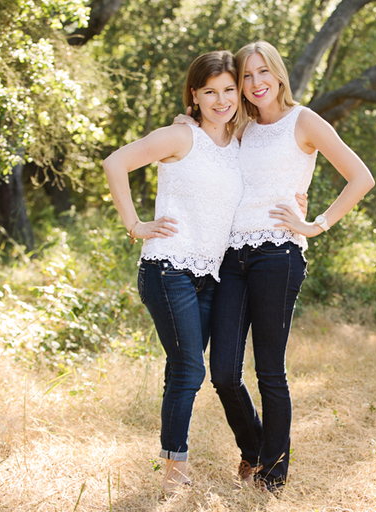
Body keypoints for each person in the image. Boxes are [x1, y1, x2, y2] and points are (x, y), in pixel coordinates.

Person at [177, 40, 375, 493]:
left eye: (262, 72)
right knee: (223, 371)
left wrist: (315, 223)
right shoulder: (242, 127)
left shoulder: (303, 121)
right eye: (246, 75)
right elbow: (201, 141)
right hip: (232, 256)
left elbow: (361, 177)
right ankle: (254, 448)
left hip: (277, 256)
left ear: (279, 74)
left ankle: (273, 475)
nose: (254, 83)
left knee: (270, 371)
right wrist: (181, 121)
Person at [103, 50, 244, 496]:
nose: (221, 100)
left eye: (228, 90)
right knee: (189, 369)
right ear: (195, 96)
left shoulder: (238, 143)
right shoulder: (180, 137)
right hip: (168, 268)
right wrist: (134, 224)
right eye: (210, 92)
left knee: (184, 368)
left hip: (210, 275)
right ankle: (174, 472)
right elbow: (114, 163)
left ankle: (175, 461)